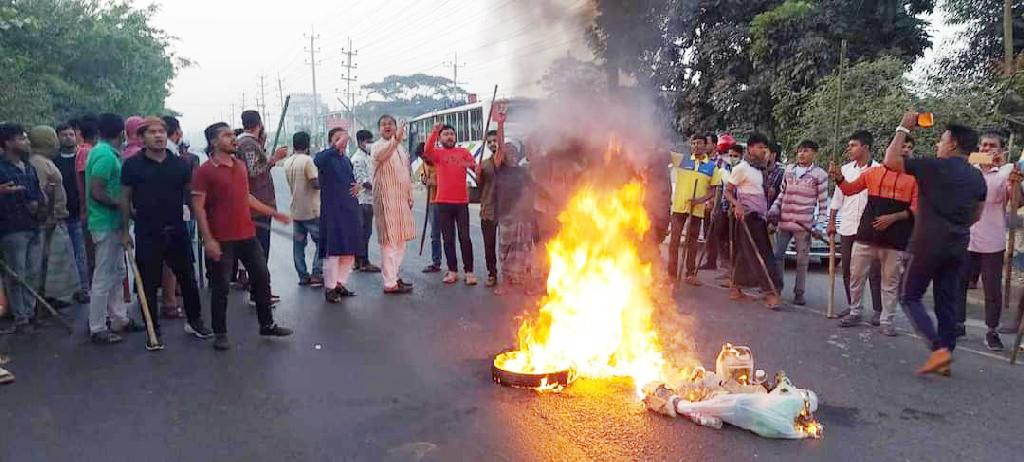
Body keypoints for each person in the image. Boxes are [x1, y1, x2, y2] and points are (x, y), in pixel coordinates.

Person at [884, 113, 987, 376]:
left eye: (941, 140)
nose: (937, 145)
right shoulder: (978, 179)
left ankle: (938, 351)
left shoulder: (933, 167)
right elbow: (977, 214)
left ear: (952, 144)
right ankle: (946, 352)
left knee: (909, 296)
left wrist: (904, 126)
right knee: (946, 301)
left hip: (928, 243)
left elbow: (891, 161)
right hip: (958, 244)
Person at [192, 122, 293, 351]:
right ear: (214, 142)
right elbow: (198, 208)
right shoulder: (205, 171)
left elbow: (246, 197)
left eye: (231, 134)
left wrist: (274, 213)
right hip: (221, 238)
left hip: (246, 234)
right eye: (226, 135)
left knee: (261, 276)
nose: (232, 138)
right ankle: (220, 333)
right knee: (220, 287)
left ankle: (266, 323)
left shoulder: (239, 165)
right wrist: (208, 239)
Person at [121, 117, 212, 351]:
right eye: (152, 132)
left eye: (162, 131)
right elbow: (125, 199)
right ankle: (153, 331)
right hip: (147, 232)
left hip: (177, 230)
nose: (159, 135)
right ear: (142, 138)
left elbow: (191, 198)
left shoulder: (180, 164)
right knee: (149, 284)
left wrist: (203, 229)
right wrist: (124, 231)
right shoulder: (132, 166)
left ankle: (195, 322)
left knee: (188, 280)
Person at [830, 141, 918, 336]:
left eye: (908, 147)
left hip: (895, 239)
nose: (904, 150)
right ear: (889, 152)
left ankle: (886, 320)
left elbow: (916, 208)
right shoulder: (872, 174)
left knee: (890, 281)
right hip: (867, 235)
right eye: (900, 147)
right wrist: (839, 178)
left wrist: (894, 217)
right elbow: (849, 189)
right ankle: (855, 311)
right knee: (856, 275)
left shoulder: (915, 178)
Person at [85, 114, 143, 345]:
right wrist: (120, 205)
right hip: (105, 223)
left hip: (114, 223)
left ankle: (119, 318)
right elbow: (97, 191)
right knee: (103, 277)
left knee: (117, 274)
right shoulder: (105, 156)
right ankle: (97, 326)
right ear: (122, 133)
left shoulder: (106, 153)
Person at [960, 131, 1018, 350]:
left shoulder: (1007, 170)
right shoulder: (969, 168)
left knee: (992, 289)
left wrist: (1014, 182)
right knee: (959, 283)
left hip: (992, 239)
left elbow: (1015, 201)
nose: (986, 149)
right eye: (983, 145)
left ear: (1001, 149)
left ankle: (991, 331)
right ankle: (957, 324)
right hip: (967, 237)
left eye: (992, 145)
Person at [828, 130, 883, 321]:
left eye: (854, 145)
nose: (850, 149)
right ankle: (853, 308)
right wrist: (832, 222)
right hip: (848, 225)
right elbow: (837, 198)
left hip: (871, 227)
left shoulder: (879, 170)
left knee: (874, 270)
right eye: (849, 145)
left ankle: (878, 309)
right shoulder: (844, 170)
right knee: (847, 270)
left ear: (865, 147)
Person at [723, 133, 782, 309]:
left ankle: (736, 287)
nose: (762, 150)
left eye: (764, 147)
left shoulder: (761, 169)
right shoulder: (741, 168)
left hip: (760, 216)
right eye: (759, 147)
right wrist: (737, 205)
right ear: (749, 149)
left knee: (745, 253)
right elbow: (728, 191)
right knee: (761, 255)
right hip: (747, 217)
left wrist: (767, 193)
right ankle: (770, 291)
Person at [768, 140, 829, 306]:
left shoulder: (820, 175)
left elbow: (823, 205)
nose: (802, 154)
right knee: (777, 256)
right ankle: (777, 288)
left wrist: (819, 226)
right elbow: (782, 194)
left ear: (815, 154)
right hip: (785, 221)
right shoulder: (789, 170)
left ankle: (799, 293)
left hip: (804, 225)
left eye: (806, 151)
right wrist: (774, 210)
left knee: (802, 261)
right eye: (800, 150)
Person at [236, 111, 288, 305]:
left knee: (258, 251)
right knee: (260, 251)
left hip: (256, 203)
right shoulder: (248, 144)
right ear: (259, 123)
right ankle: (258, 293)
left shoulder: (248, 143)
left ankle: (259, 291)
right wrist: (273, 158)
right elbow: (254, 171)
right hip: (257, 205)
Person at [28, 125, 82, 306]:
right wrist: (48, 214)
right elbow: (42, 192)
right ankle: (42, 303)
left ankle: (50, 299)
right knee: (45, 262)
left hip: (56, 218)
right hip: (49, 220)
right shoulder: (38, 163)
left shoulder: (44, 160)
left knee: (55, 262)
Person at [0, 123, 44, 334]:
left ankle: (30, 310)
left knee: (33, 272)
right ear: (8, 142)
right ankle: (21, 318)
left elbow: (36, 194)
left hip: (33, 225)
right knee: (17, 275)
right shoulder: (1, 168)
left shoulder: (29, 168)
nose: (26, 141)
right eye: (21, 138)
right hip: (11, 227)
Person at [422, 123, 477, 286]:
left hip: (461, 203)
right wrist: (434, 131)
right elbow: (427, 151)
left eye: (452, 134)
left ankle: (469, 271)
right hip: (443, 202)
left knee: (465, 238)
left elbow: (475, 168)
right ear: (440, 138)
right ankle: (452, 270)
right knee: (448, 239)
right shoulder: (437, 154)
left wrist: (478, 169)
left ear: (455, 137)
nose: (449, 137)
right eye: (445, 134)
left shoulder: (464, 153)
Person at [315, 128, 364, 302]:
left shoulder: (346, 160)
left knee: (349, 251)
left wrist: (358, 187)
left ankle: (339, 283)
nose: (343, 141)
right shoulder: (325, 159)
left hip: (350, 210)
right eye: (338, 138)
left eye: (344, 138)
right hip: (333, 211)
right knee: (333, 251)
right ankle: (329, 288)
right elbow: (317, 160)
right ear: (331, 141)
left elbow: (352, 181)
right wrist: (335, 147)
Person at [668, 134, 721, 285]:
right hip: (679, 207)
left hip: (696, 209)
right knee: (674, 240)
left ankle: (691, 273)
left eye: (699, 143)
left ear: (705, 146)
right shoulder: (682, 159)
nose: (696, 146)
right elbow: (664, 153)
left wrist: (700, 200)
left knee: (692, 242)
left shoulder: (712, 167)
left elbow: (713, 190)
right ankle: (671, 274)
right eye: (693, 143)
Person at [371, 115, 415, 294]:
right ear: (379, 129)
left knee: (401, 240)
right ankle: (389, 283)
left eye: (390, 124)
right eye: (383, 124)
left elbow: (406, 173)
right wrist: (396, 140)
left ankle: (394, 276)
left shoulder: (401, 150)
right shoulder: (377, 146)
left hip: (401, 199)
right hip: (386, 198)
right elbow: (382, 156)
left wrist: (409, 195)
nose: (387, 126)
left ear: (395, 127)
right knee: (389, 241)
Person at [283, 131, 324, 288]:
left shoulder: (288, 162)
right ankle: (316, 273)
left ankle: (302, 275)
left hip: (296, 210)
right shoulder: (307, 161)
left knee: (299, 245)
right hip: (311, 210)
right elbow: (315, 183)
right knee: (322, 242)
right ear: (308, 145)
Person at [55, 123, 90, 303]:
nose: (68, 137)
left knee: (80, 253)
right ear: (57, 137)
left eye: (71, 134)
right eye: (64, 134)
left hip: (78, 213)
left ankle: (83, 289)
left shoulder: (81, 157)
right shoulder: (54, 161)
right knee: (61, 255)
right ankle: (63, 293)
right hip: (59, 215)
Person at [351, 129, 381, 273]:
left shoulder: (367, 156)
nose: (371, 144)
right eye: (368, 141)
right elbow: (363, 181)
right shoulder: (357, 159)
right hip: (363, 200)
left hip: (369, 200)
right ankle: (363, 261)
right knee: (364, 232)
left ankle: (359, 260)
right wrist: (379, 188)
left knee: (365, 232)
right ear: (360, 142)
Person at [476, 129, 501, 287]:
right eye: (489, 141)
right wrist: (478, 174)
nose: (492, 144)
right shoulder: (484, 164)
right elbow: (480, 187)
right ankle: (492, 274)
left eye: (495, 140)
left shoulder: (506, 159)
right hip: (488, 208)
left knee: (508, 245)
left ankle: (513, 274)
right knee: (489, 244)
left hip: (506, 208)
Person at [417, 144, 442, 273]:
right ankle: (436, 262)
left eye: (425, 156)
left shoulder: (440, 162)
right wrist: (424, 180)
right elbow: (423, 176)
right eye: (422, 157)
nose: (424, 159)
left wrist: (435, 183)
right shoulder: (424, 164)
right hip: (432, 202)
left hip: (444, 201)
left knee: (449, 235)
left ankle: (453, 266)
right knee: (435, 234)